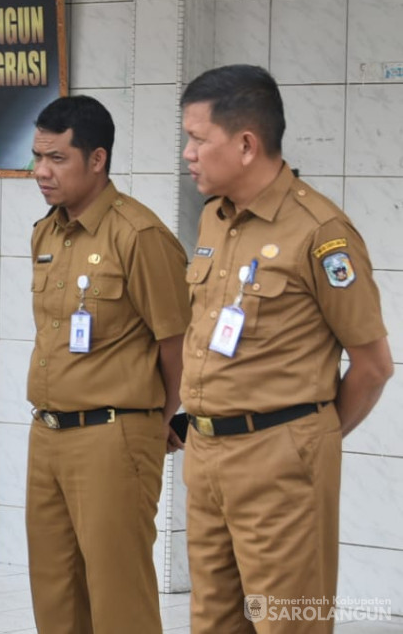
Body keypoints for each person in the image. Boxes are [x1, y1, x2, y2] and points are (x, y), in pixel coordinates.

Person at [179, 65, 392, 633]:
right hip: (207, 458)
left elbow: (373, 366)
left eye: (199, 138)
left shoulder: (321, 232)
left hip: (280, 461)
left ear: (246, 143)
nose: (187, 153)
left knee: (288, 623)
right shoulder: (213, 219)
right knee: (215, 621)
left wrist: (303, 442)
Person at [25, 95, 189, 634]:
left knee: (119, 596)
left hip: (114, 435)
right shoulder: (47, 232)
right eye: (36, 157)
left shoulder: (139, 235)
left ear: (97, 160)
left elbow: (176, 341)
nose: (42, 172)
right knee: (55, 591)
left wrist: (162, 418)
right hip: (48, 430)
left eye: (56, 159)